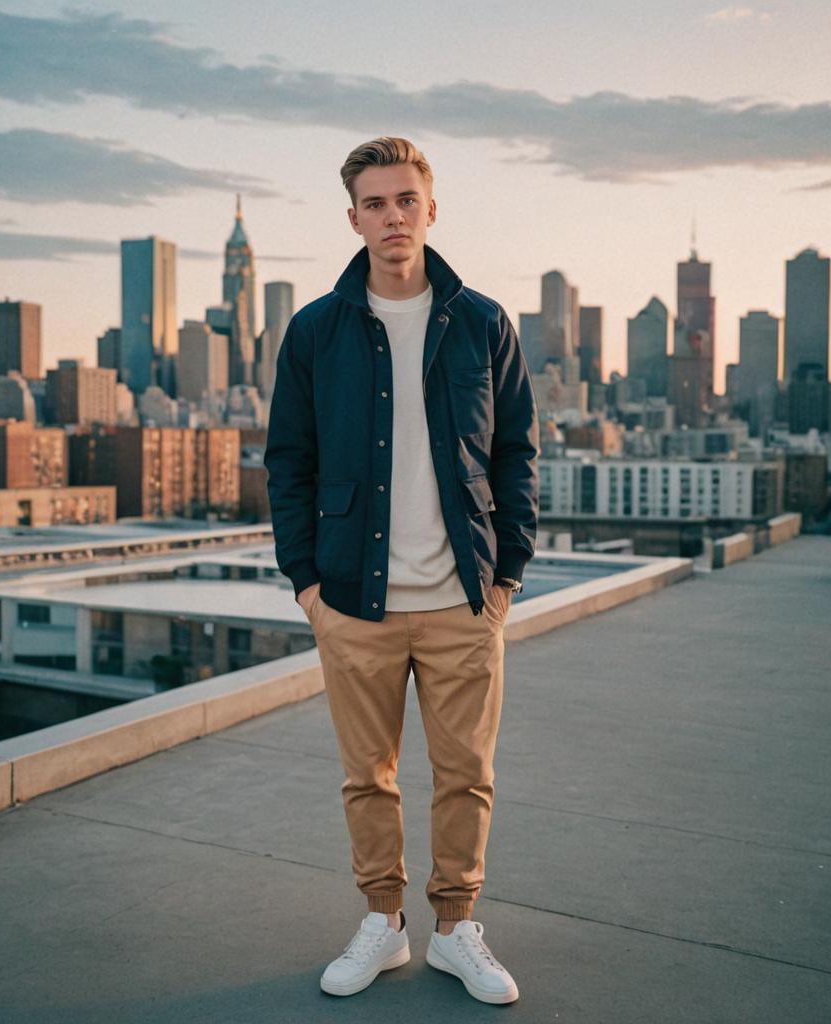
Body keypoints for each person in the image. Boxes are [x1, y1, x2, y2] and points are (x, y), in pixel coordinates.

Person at [264, 136, 539, 1005]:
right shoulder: (316, 330)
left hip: (464, 599)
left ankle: (456, 931)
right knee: (367, 777)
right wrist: (308, 585)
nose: (392, 216)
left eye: (405, 200)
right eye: (375, 203)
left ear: (431, 208)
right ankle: (382, 926)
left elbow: (516, 453)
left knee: (467, 776)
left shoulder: (484, 322)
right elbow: (288, 463)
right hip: (354, 600)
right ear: (353, 219)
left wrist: (508, 576)